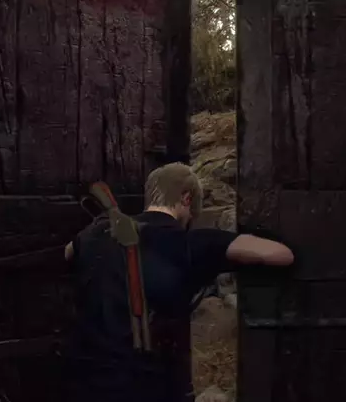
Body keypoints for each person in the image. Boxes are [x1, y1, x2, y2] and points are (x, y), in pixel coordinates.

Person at [61, 162, 294, 402]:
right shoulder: (192, 243)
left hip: (84, 383)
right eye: (193, 212)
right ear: (186, 199)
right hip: (146, 389)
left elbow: (69, 251)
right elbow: (280, 254)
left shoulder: (96, 235)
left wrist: (101, 231)